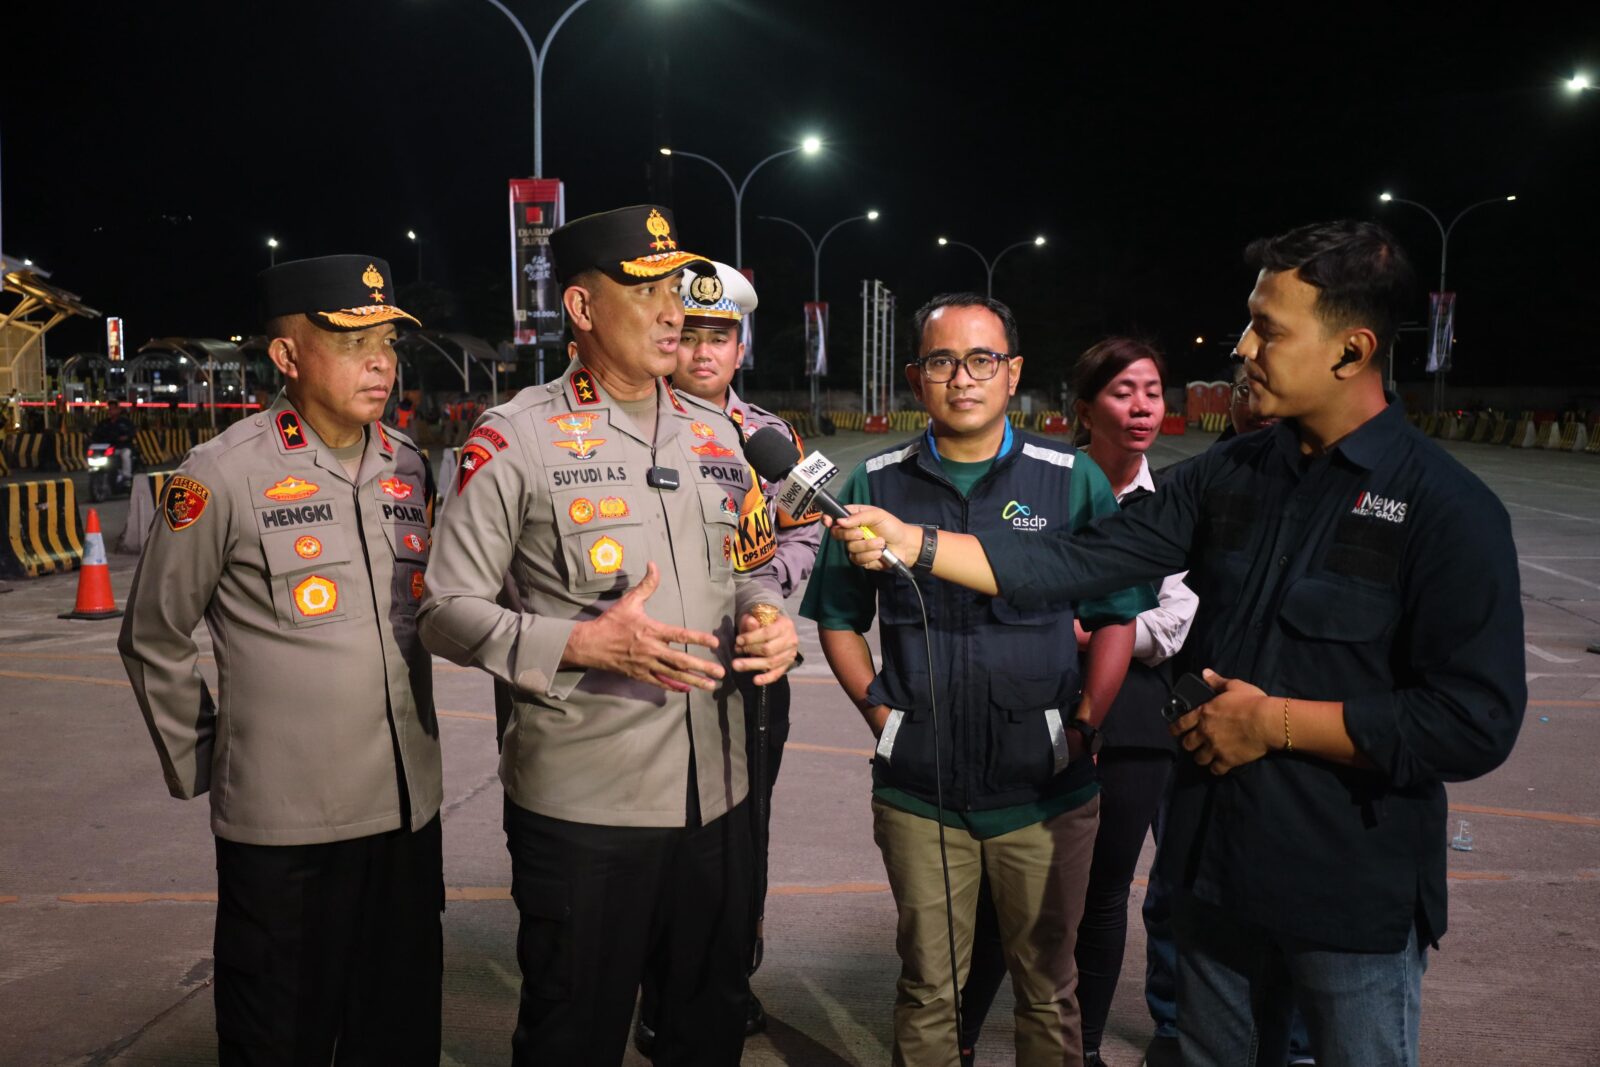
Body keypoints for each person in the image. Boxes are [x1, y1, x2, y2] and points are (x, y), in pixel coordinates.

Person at [828, 221, 1527, 1067]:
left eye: (1267, 328)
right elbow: (1077, 557)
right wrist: (920, 543)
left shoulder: (1446, 509)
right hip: (1214, 879)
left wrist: (1276, 724)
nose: (1241, 347)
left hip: (1347, 893)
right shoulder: (1231, 477)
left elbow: (1473, 719)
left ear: (1353, 350)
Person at [417, 204, 799, 1067]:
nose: (673, 310)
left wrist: (770, 618)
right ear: (583, 310)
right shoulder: (516, 437)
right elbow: (443, 607)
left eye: (676, 288)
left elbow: (749, 569)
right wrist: (577, 645)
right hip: (589, 808)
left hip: (723, 792)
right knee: (572, 1036)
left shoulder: (720, 437)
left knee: (705, 1031)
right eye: (648, 290)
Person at [800, 292, 1154, 1067]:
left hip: (1046, 787)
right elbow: (836, 615)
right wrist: (879, 716)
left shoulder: (1073, 480)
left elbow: (1117, 614)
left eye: (982, 359)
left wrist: (1087, 721)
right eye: (941, 361)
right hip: (919, 789)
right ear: (915, 377)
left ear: (1012, 371)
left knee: (1048, 987)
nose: (963, 377)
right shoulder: (874, 483)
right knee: (929, 987)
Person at [119, 255, 443, 1065]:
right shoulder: (222, 474)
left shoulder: (409, 466)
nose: (381, 362)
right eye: (354, 341)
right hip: (285, 832)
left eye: (388, 343)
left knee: (397, 1035)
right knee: (278, 1039)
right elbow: (155, 633)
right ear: (288, 357)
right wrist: (213, 759)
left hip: (405, 817)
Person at [634, 260, 824, 1049]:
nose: (705, 351)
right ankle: (659, 988)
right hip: (664, 665)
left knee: (746, 835)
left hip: (751, 670)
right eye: (694, 333)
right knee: (663, 838)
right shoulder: (635, 426)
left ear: (740, 345)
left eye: (722, 336)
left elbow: (802, 529)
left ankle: (727, 973)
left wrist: (768, 601)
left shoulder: (772, 437)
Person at [95, 399, 137, 478]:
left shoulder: (125, 422)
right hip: (108, 449)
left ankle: (127, 476)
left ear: (118, 410)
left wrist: (126, 437)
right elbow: (97, 433)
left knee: (125, 454)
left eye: (113, 409)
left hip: (122, 447)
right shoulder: (104, 423)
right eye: (109, 409)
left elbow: (132, 432)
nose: (110, 411)